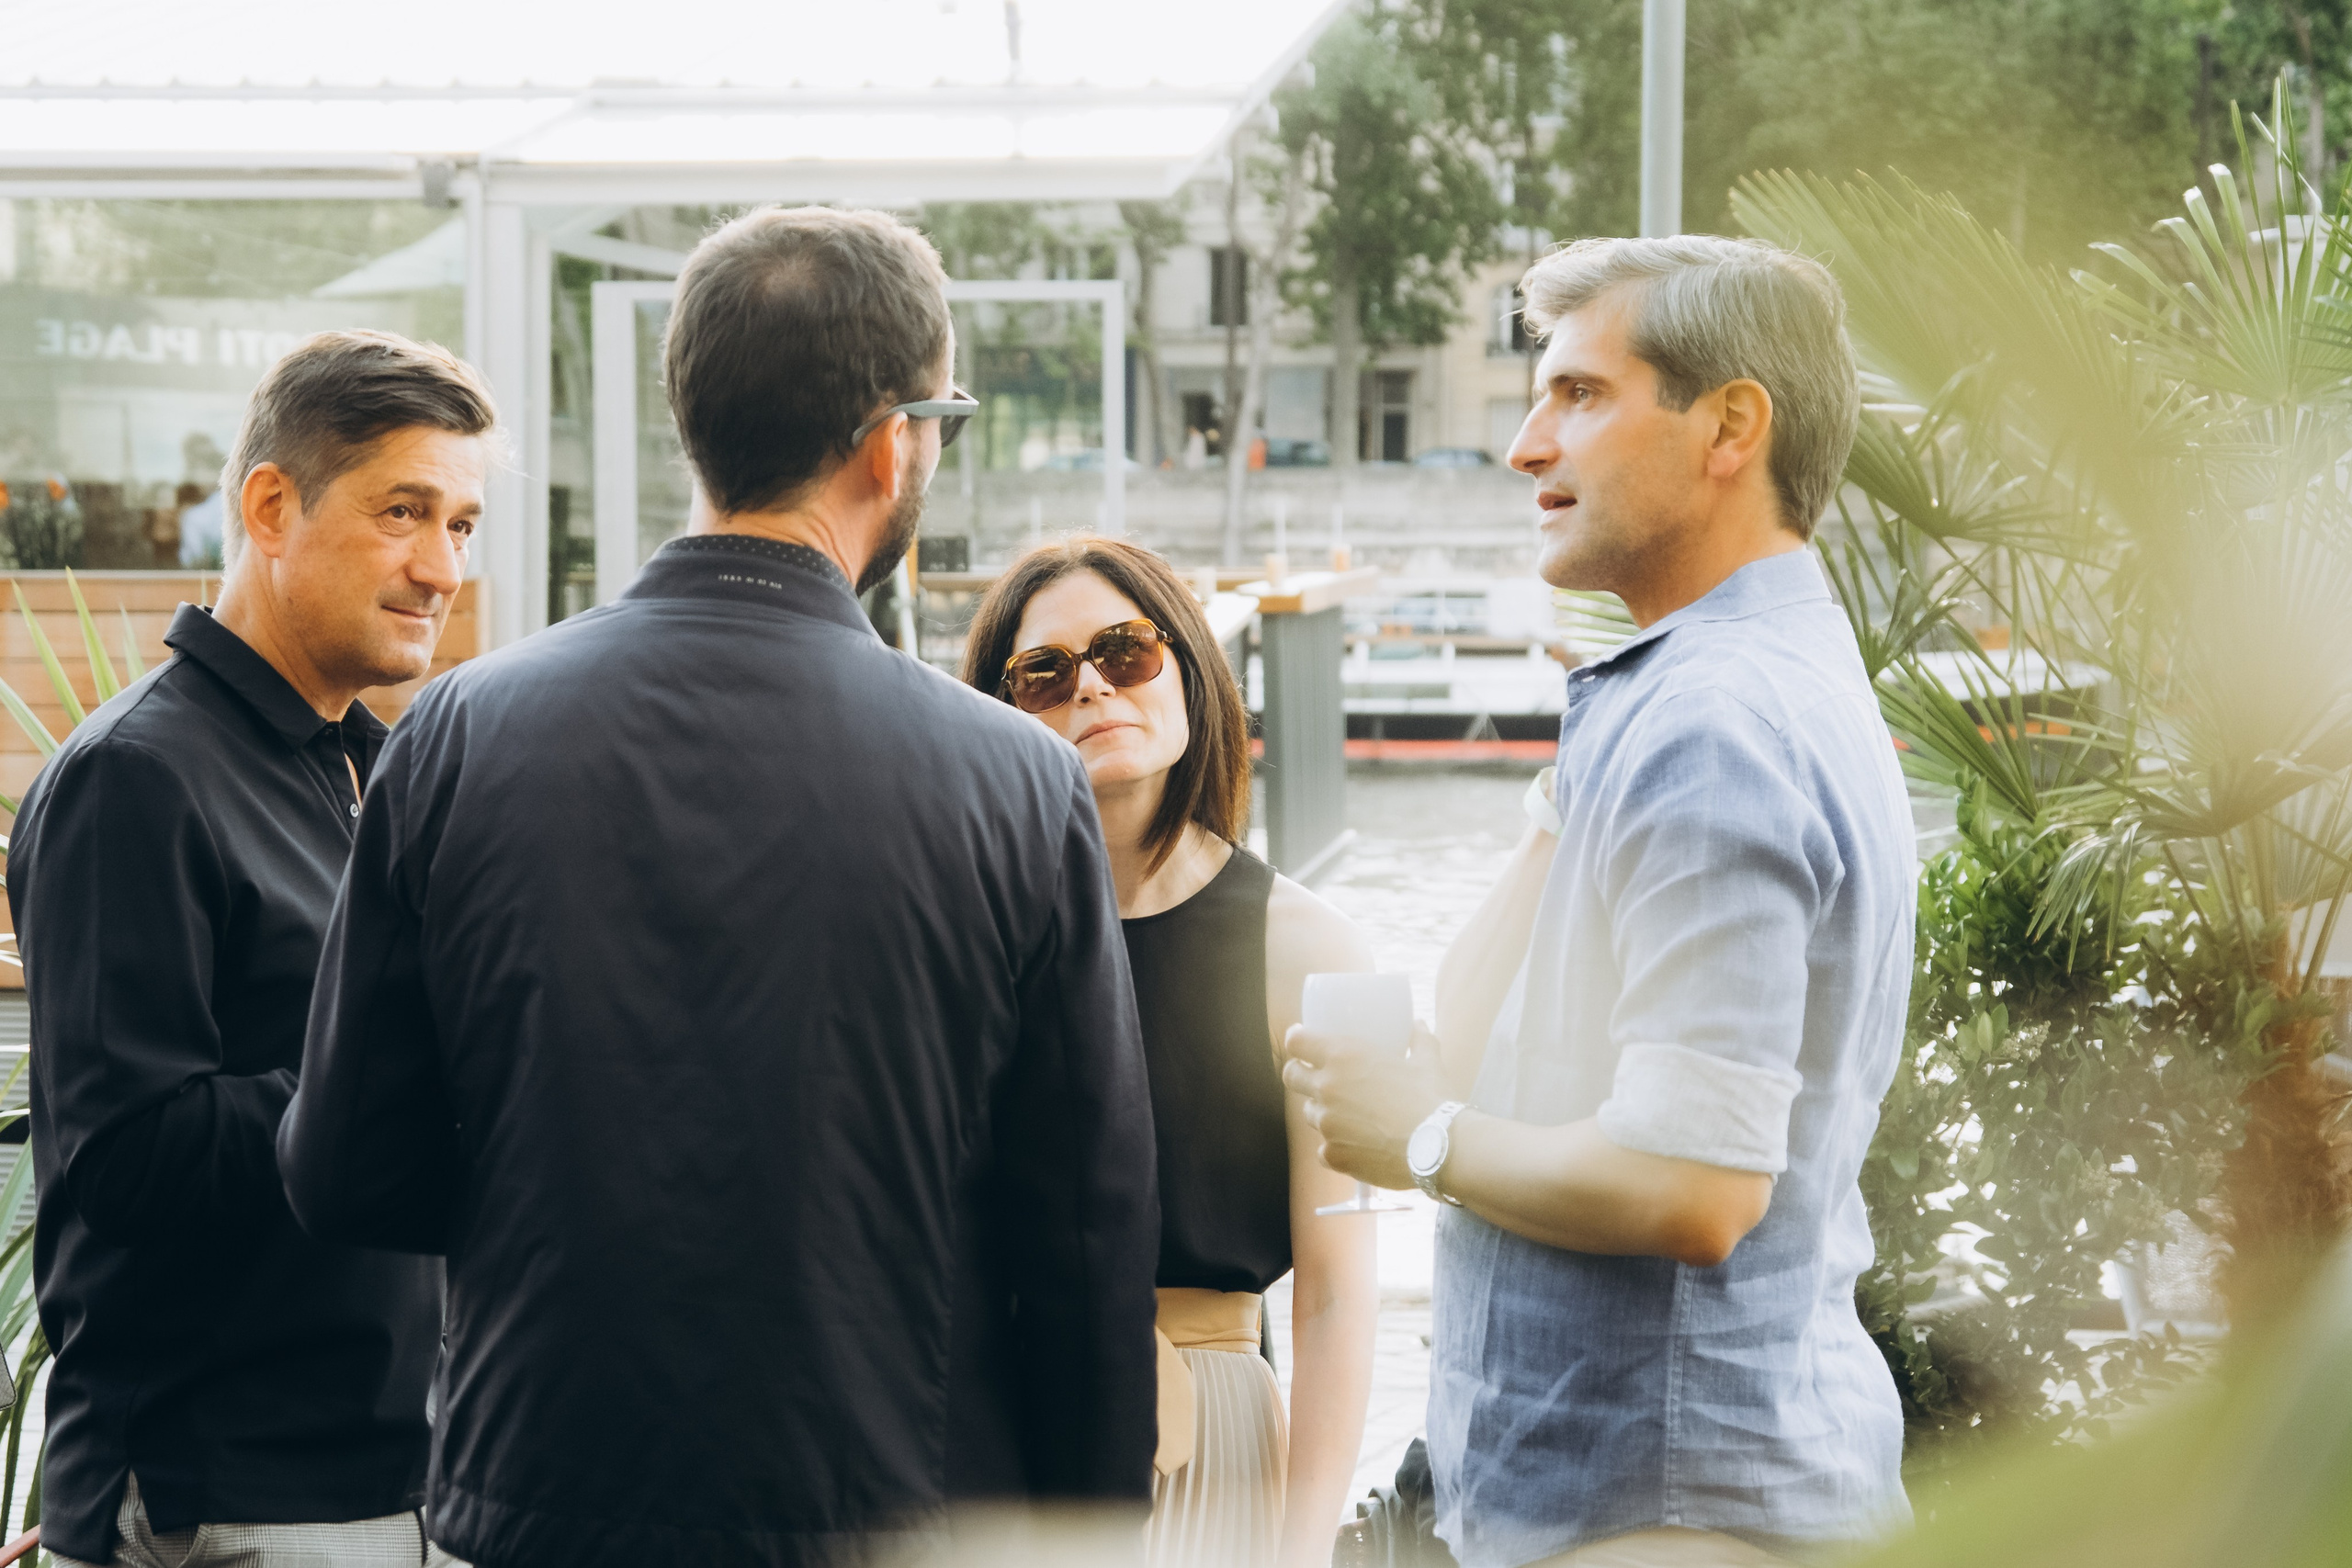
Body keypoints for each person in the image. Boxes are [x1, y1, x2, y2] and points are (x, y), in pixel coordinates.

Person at [276, 206, 1162, 1568]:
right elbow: (1088, 1239)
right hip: (888, 1508)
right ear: (892, 440)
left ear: (697, 422)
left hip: (539, 1501)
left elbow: (349, 1171)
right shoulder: (1013, 782)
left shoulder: (450, 738)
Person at [1285, 234, 1913, 1568]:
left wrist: (1425, 1142)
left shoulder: (1717, 724)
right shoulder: (1691, 686)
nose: (1526, 444)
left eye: (1579, 394)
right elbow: (1471, 1030)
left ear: (1731, 425)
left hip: (1674, 1510)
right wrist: (1569, 780)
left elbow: (1694, 1183)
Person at [8, 330, 493, 1568]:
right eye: (404, 512)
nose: (442, 566)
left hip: (408, 1479)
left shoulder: (368, 765)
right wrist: (405, 1082)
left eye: (462, 524)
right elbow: (124, 1153)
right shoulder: (135, 777)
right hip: (232, 1500)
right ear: (271, 506)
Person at [961, 538, 1380, 1568]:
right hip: (994, 1419)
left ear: (1189, 666)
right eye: (1043, 672)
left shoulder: (1321, 945)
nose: (1091, 686)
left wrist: (1301, 1545)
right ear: (999, 712)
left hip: (1218, 1438)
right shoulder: (966, 939)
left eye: (1124, 650)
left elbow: (1337, 1293)